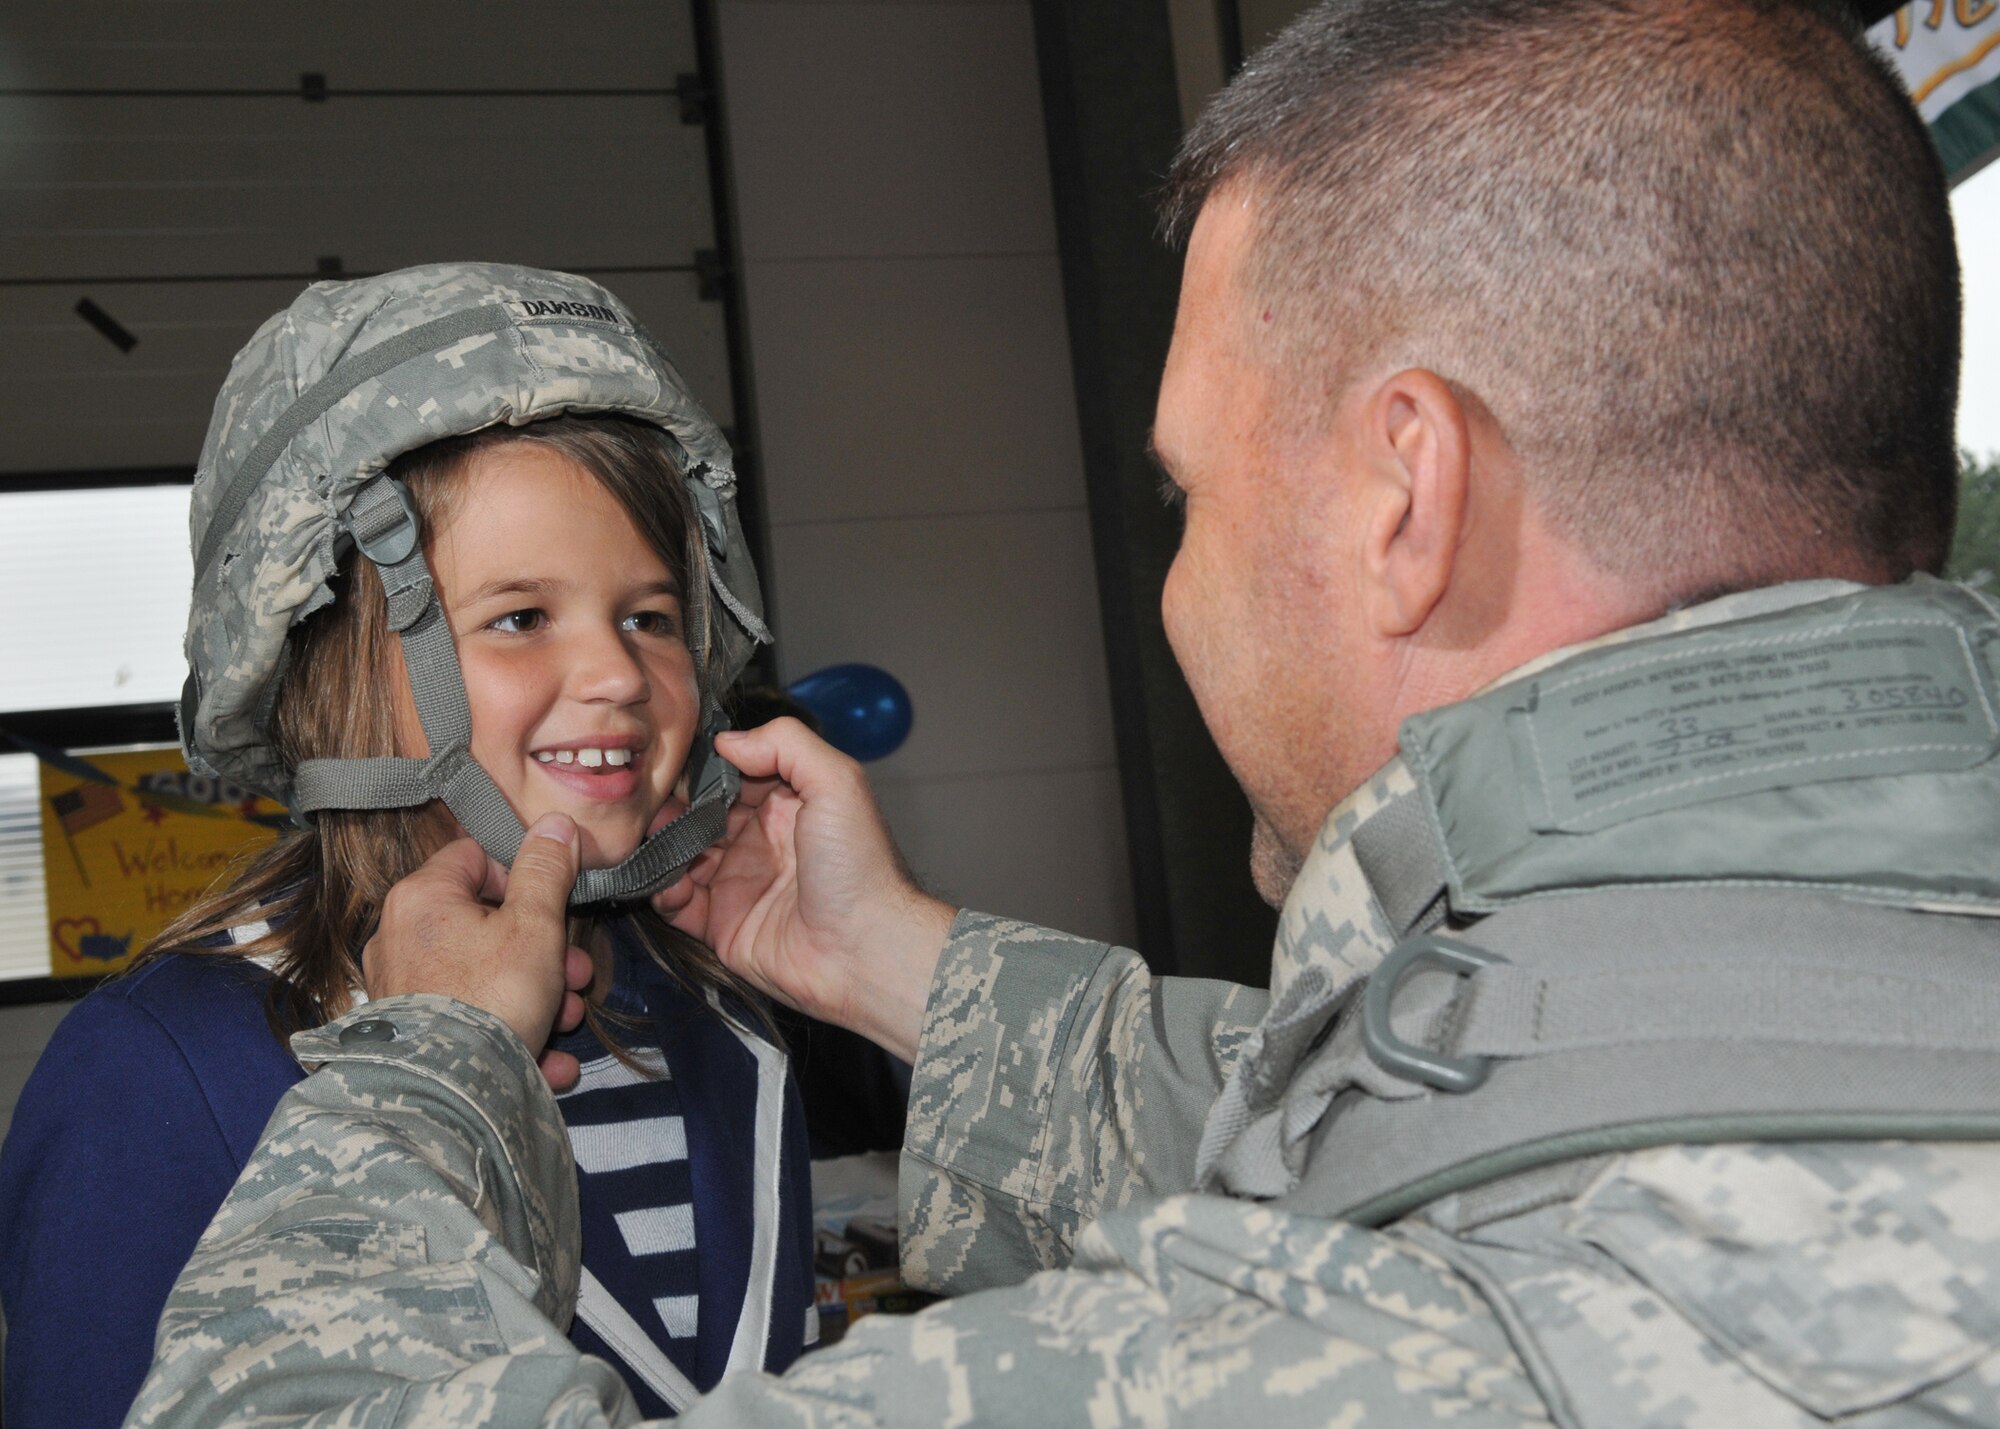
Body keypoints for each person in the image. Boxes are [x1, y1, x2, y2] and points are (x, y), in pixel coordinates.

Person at [127, 0, 2000, 1423]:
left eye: (1189, 497)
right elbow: (1403, 1099)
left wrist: (423, 1073)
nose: (1174, 580)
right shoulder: (1805, 1007)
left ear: (1404, 499)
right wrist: (904, 968)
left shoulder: (1396, 1354)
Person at [0, 265, 816, 1427]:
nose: (619, 676)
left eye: (650, 616)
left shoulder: (716, 1012)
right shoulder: (161, 1072)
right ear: (328, 670)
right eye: (521, 618)